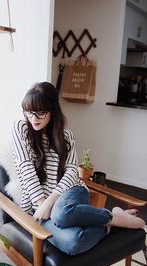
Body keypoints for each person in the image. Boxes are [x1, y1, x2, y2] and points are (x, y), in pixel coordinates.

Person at [12, 82, 145, 256]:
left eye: (40, 112)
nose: (33, 118)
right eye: (29, 111)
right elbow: (26, 169)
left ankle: (112, 218)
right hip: (38, 208)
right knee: (74, 242)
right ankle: (112, 221)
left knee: (61, 214)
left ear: (53, 110)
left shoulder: (65, 136)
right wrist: (41, 204)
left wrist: (50, 202)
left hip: (70, 191)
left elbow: (72, 171)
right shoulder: (21, 128)